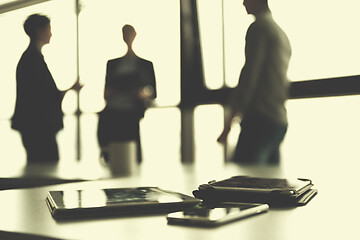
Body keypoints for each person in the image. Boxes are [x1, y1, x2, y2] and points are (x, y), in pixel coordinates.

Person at [217, 0, 292, 164]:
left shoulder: (259, 28)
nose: (243, 3)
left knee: (244, 181)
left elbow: (249, 76)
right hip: (278, 119)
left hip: (259, 118)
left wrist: (229, 123)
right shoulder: (280, 33)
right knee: (271, 183)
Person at [11, 14, 82, 163]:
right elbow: (43, 96)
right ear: (39, 31)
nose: (51, 33)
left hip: (34, 126)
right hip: (39, 128)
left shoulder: (30, 58)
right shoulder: (33, 59)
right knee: (45, 166)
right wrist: (69, 90)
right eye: (48, 29)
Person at [98, 24, 157, 163]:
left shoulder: (146, 64)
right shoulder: (112, 64)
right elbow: (106, 92)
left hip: (132, 111)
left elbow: (153, 91)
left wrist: (143, 94)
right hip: (114, 111)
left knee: (131, 150)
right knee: (114, 148)